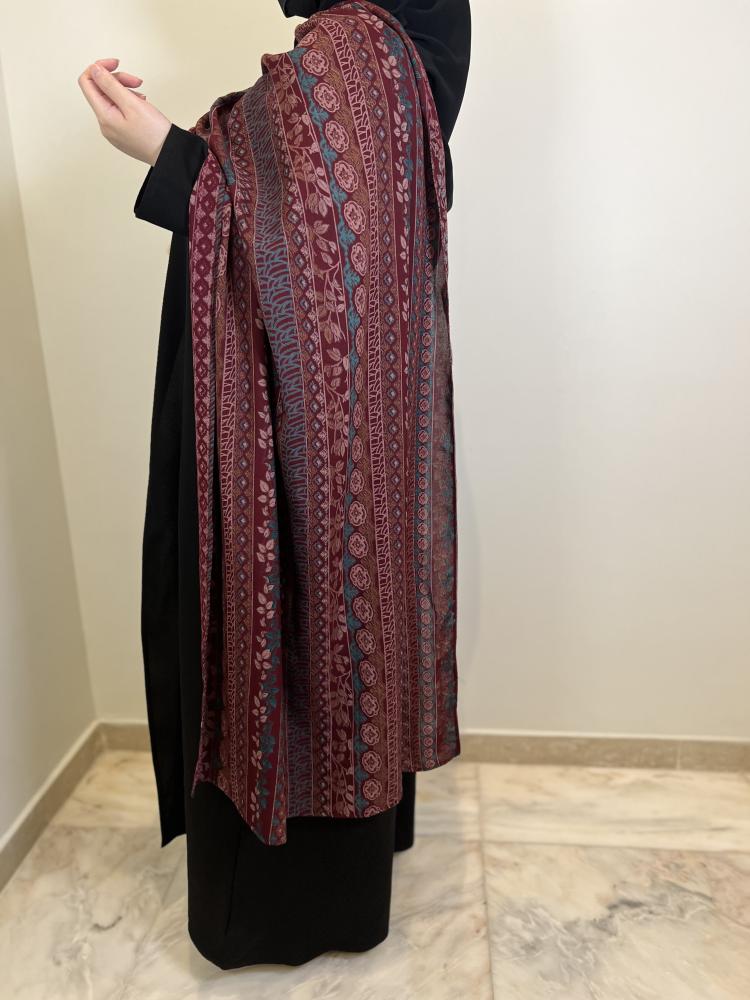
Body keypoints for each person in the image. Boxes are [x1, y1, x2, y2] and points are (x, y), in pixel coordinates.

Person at [78, 0, 470, 970]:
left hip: (294, 428)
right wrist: (212, 148)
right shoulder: (403, 34)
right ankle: (344, 876)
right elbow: (320, 206)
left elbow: (290, 224)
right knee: (354, 588)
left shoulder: (357, 42)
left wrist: (161, 147)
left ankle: (274, 913)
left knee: (294, 601)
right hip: (360, 417)